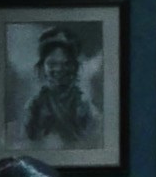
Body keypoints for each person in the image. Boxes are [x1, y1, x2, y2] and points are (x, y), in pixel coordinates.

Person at [22, 25, 100, 154]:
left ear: (75, 67)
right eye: (52, 64)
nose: (59, 70)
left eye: (66, 64)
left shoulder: (84, 106)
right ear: (42, 67)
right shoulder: (34, 105)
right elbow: (27, 143)